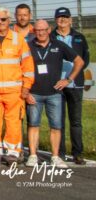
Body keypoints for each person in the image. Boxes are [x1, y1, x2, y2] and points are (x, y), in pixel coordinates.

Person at [26, 19, 85, 168]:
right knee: (33, 124)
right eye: (37, 30)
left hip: (55, 93)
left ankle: (55, 156)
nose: (40, 33)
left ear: (49, 30)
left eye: (43, 30)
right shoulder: (28, 47)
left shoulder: (59, 46)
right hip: (34, 93)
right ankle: (33, 155)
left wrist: (68, 79)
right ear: (34, 31)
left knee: (56, 126)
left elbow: (79, 61)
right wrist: (25, 91)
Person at [0, 7, 35, 164]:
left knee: (14, 123)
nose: (0, 22)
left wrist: (26, 86)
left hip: (14, 92)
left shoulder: (19, 40)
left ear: (9, 21)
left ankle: (12, 154)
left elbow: (28, 66)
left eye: (3, 19)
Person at [53, 6, 90, 165]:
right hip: (56, 85)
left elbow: (85, 59)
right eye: (60, 17)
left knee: (75, 121)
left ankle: (77, 153)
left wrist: (71, 75)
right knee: (58, 121)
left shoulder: (79, 37)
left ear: (71, 20)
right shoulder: (50, 37)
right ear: (56, 20)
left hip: (75, 84)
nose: (63, 20)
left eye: (66, 17)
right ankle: (60, 153)